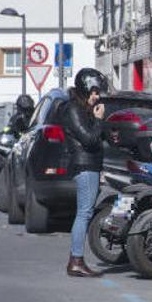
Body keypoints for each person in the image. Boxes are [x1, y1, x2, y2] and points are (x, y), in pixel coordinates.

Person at [63, 68, 108, 278]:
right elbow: (89, 139)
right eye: (94, 92)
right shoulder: (74, 109)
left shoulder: (82, 108)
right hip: (85, 165)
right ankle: (76, 260)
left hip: (90, 165)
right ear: (84, 89)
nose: (96, 97)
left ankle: (76, 259)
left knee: (85, 212)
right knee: (84, 213)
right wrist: (99, 120)